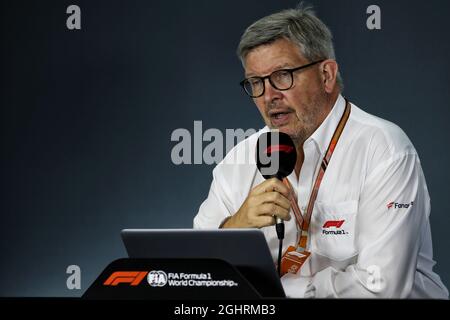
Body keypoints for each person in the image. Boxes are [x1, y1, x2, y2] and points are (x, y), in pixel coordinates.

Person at [193, 5, 448, 298]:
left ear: (326, 75)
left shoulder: (386, 150)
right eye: (256, 82)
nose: (269, 96)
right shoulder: (237, 163)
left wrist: (272, 291)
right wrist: (234, 227)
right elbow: (197, 278)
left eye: (283, 75)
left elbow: (381, 289)